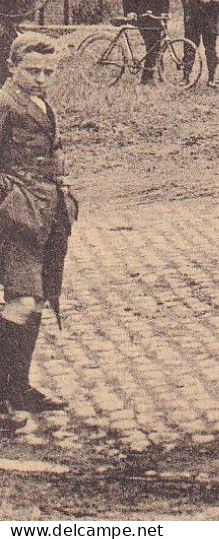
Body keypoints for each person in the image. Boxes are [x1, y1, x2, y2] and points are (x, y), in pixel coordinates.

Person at [0, 34, 75, 425]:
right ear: (12, 67)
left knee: (39, 299)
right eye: (32, 70)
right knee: (22, 300)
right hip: (17, 219)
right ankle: (3, 396)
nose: (41, 78)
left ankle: (20, 388)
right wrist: (10, 198)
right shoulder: (5, 104)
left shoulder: (42, 104)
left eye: (48, 71)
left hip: (49, 214)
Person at [120, 0, 171, 85]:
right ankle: (146, 78)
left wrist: (164, 13)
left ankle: (155, 75)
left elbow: (165, 0)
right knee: (152, 45)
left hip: (156, 19)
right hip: (142, 18)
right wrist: (131, 12)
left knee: (156, 46)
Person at [0, 0, 45, 86]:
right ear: (19, 8)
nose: (36, 10)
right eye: (32, 5)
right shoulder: (3, 34)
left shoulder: (11, 27)